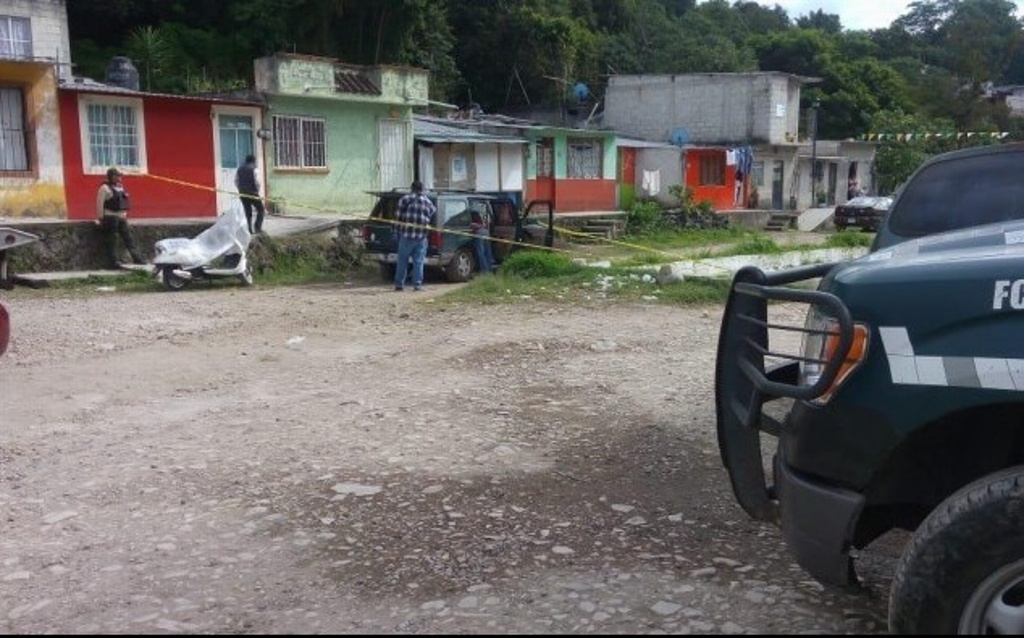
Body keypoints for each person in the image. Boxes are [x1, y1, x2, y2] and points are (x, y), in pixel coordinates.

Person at [95, 167, 145, 267]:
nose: (119, 178)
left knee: (129, 238)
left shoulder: (120, 187)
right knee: (112, 240)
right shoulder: (104, 188)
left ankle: (137, 258)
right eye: (117, 176)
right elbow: (99, 204)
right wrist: (100, 218)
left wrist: (124, 216)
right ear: (111, 176)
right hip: (110, 217)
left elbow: (123, 202)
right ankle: (114, 262)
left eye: (119, 176)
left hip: (121, 218)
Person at [393, 180, 437, 291]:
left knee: (402, 261)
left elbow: (398, 218)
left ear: (411, 188)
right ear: (422, 189)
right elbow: (432, 214)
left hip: (406, 236)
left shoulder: (404, 199)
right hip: (421, 237)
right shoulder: (428, 202)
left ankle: (399, 285)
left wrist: (396, 232)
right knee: (418, 262)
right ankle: (417, 285)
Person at [235, 154, 265, 234]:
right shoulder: (254, 169)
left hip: (243, 193)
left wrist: (240, 189)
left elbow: (236, 181)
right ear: (253, 161)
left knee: (247, 212)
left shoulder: (240, 169)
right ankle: (257, 228)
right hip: (253, 192)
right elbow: (257, 182)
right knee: (261, 210)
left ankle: (249, 230)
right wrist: (257, 190)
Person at [469, 209, 494, 274]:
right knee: (487, 252)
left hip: (479, 234)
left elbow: (471, 227)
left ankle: (484, 270)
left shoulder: (472, 223)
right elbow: (483, 225)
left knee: (481, 252)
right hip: (486, 232)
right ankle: (489, 268)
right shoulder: (481, 222)